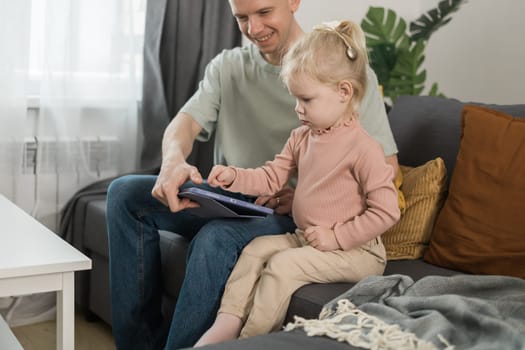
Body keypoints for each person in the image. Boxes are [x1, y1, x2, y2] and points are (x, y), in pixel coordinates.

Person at [106, 0, 399, 349]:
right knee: (124, 194)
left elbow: (387, 175)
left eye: (263, 12)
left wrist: (310, 198)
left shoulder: (346, 75)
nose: (253, 29)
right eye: (241, 17)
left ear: (293, 2)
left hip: (286, 214)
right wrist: (173, 162)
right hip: (236, 193)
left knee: (217, 238)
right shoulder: (229, 67)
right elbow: (184, 126)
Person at [193, 19, 401, 346]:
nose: (297, 109)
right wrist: (234, 176)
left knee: (283, 266)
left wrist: (336, 237)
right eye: (295, 99)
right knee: (255, 249)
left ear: (343, 92)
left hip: (355, 251)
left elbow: (387, 212)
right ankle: (227, 323)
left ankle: (249, 340)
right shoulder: (302, 137)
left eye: (306, 100)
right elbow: (271, 177)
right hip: (307, 237)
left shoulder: (364, 149)